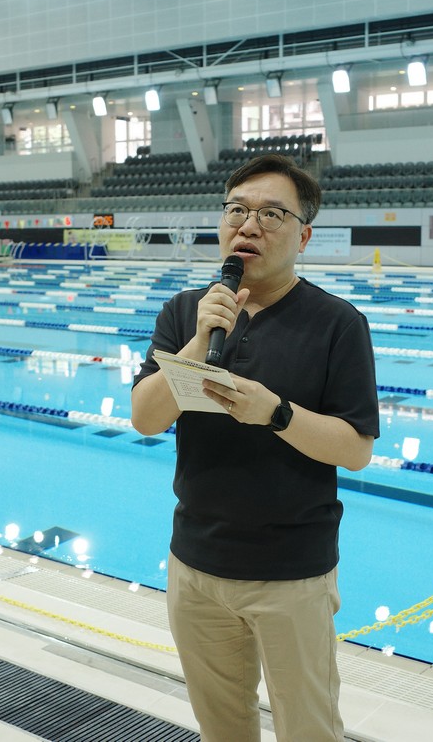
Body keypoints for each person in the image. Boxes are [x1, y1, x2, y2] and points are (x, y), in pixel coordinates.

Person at [131, 154, 380, 742]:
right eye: (237, 210)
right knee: (222, 729)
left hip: (290, 574)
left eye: (271, 214)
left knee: (308, 731)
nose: (248, 225)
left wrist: (276, 413)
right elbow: (145, 417)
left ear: (303, 235)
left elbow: (356, 449)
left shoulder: (337, 324)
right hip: (195, 565)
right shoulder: (185, 311)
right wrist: (198, 340)